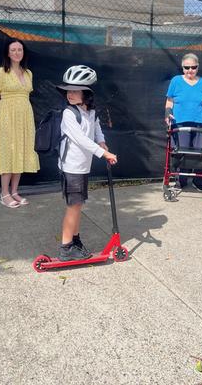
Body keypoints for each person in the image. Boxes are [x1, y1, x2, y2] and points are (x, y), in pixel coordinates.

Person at [55, 65, 118, 261]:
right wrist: (103, 154)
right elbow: (80, 139)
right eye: (68, 91)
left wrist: (102, 142)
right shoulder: (68, 113)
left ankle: (75, 240)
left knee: (78, 205)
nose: (70, 94)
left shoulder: (90, 112)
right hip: (71, 167)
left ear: (87, 93)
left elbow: (96, 127)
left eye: (75, 91)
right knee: (73, 206)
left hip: (82, 166)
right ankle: (66, 248)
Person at [0, 38, 40, 208]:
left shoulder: (28, 73)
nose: (17, 52)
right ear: (7, 53)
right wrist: (2, 116)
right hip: (7, 119)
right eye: (13, 50)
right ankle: (4, 194)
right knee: (7, 154)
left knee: (21, 152)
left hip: (25, 119)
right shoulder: (0, 72)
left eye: (20, 49)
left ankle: (15, 191)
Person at [164, 53, 202, 190]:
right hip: (180, 122)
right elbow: (169, 101)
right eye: (187, 67)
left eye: (193, 67)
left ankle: (199, 181)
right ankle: (180, 181)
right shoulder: (176, 81)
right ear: (182, 68)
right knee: (181, 152)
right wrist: (167, 113)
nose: (190, 70)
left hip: (201, 122)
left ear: (198, 67)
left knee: (199, 152)